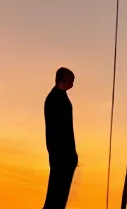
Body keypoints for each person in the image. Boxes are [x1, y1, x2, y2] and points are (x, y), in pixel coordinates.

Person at [42, 67, 78, 209]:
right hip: (61, 155)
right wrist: (67, 154)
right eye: (71, 80)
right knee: (56, 196)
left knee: (58, 196)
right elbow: (59, 130)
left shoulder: (58, 97)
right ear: (64, 79)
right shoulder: (55, 98)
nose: (73, 83)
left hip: (63, 155)